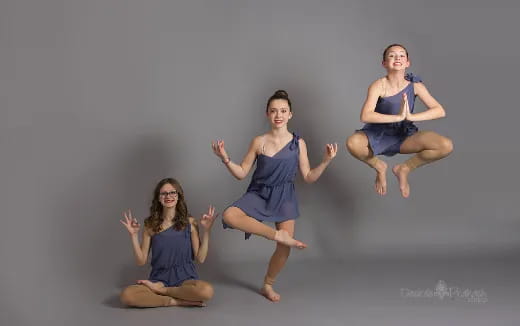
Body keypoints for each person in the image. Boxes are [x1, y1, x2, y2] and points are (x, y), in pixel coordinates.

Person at [211, 90, 337, 302]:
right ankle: (275, 234)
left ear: (290, 115)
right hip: (259, 192)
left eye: (283, 111)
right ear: (267, 114)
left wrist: (325, 161)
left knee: (284, 247)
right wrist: (225, 158)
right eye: (273, 111)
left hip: (285, 195)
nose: (278, 115)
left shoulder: (299, 144)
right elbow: (242, 173)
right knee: (229, 216)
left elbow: (308, 176)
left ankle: (267, 285)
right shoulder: (258, 141)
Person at [346, 44, 453, 197]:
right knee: (352, 143)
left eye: (402, 55)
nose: (397, 58)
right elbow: (365, 115)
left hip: (404, 135)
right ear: (384, 63)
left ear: (407, 62)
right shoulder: (378, 85)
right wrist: (397, 117)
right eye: (392, 55)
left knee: (445, 145)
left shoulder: (415, 86)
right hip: (377, 134)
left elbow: (439, 111)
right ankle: (380, 166)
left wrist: (411, 117)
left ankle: (404, 169)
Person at [119, 177, 217, 308]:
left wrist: (207, 231)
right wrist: (133, 235)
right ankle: (176, 301)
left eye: (172, 192)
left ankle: (163, 292)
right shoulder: (150, 225)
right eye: (164, 193)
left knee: (206, 291)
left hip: (185, 279)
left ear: (178, 196)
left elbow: (200, 258)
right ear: (159, 198)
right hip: (159, 279)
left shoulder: (190, 222)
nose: (168, 196)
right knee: (127, 295)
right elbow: (141, 261)